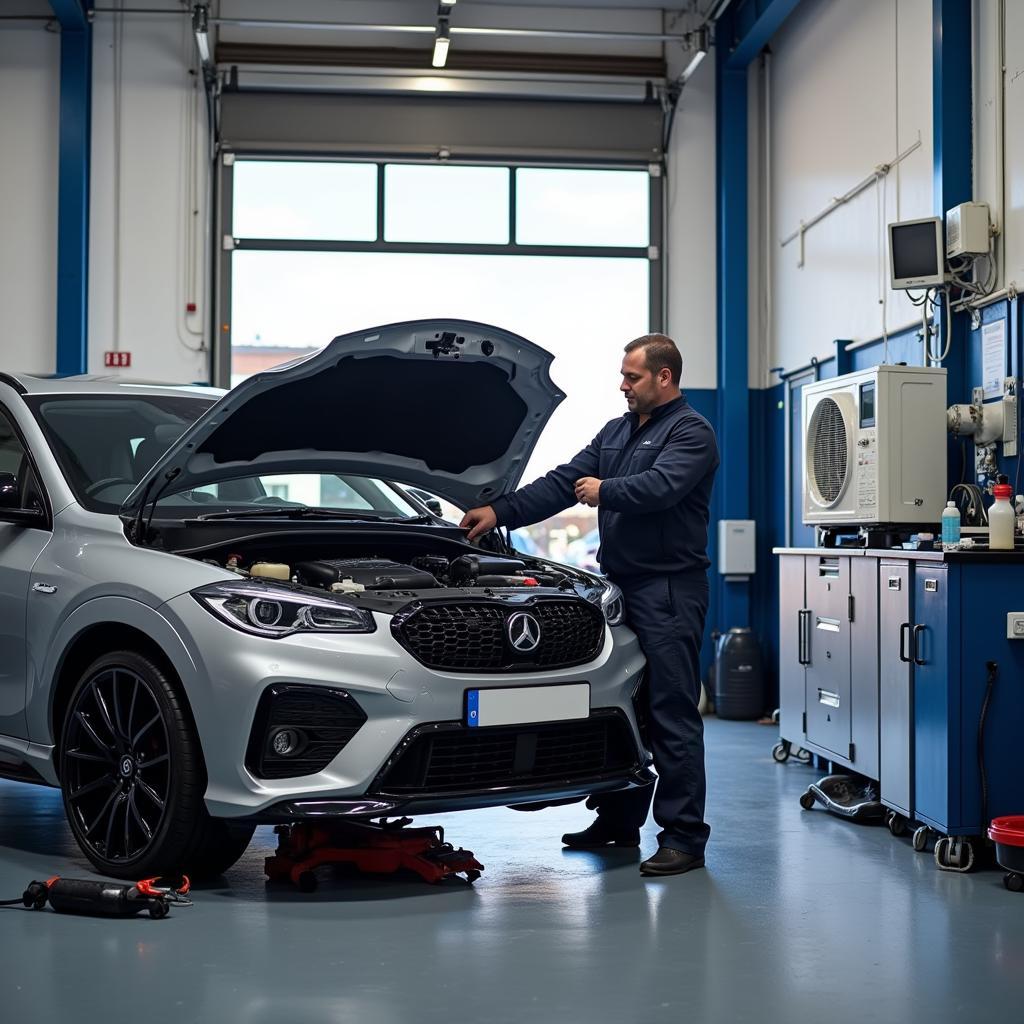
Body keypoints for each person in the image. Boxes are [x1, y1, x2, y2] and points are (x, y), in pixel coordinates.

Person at [460, 334, 719, 876]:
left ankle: (684, 839)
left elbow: (662, 487)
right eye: (623, 376)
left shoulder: (692, 433)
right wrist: (498, 511)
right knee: (621, 705)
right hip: (618, 589)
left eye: (632, 377)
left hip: (668, 590)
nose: (622, 385)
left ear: (664, 377)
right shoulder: (617, 431)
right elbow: (561, 484)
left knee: (670, 712)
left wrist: (608, 490)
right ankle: (618, 823)